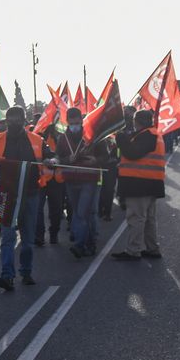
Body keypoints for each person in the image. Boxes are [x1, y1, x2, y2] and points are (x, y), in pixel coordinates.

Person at [0, 106, 45, 291]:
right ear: (7, 120)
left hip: (31, 193)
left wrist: (51, 160)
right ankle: (7, 275)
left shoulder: (37, 140)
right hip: (6, 195)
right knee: (8, 237)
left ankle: (26, 272)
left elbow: (50, 157)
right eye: (11, 119)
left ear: (24, 120)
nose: (14, 122)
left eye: (18, 119)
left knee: (27, 238)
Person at [111, 110, 165, 261]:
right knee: (148, 219)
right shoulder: (151, 134)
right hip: (149, 183)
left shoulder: (148, 135)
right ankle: (152, 248)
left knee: (136, 218)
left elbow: (133, 153)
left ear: (138, 121)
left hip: (140, 184)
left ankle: (133, 250)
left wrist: (120, 137)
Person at [51, 107, 105, 259]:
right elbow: (59, 157)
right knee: (79, 214)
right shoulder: (63, 138)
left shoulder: (92, 135)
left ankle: (79, 245)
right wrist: (66, 160)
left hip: (89, 180)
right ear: (67, 122)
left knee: (82, 213)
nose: (75, 125)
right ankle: (90, 243)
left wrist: (97, 160)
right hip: (70, 180)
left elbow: (105, 157)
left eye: (77, 122)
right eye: (71, 123)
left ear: (82, 120)